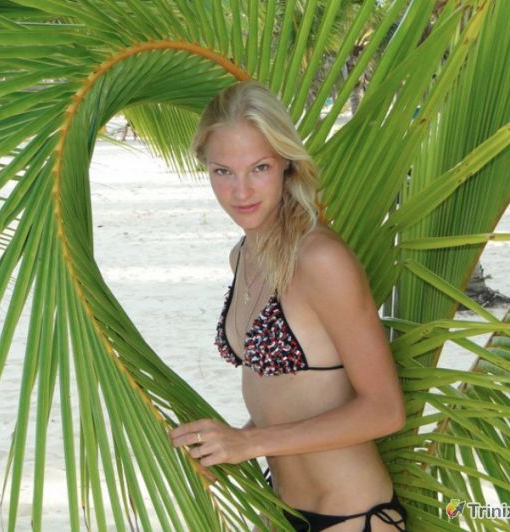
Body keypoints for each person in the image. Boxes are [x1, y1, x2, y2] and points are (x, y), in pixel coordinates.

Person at [169, 80, 407, 532]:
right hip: (278, 511)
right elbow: (283, 397)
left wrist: (251, 443)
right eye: (223, 171)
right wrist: (229, 446)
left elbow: (385, 409)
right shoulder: (242, 256)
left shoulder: (320, 260)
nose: (241, 191)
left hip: (351, 517)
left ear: (286, 164)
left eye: (259, 168)